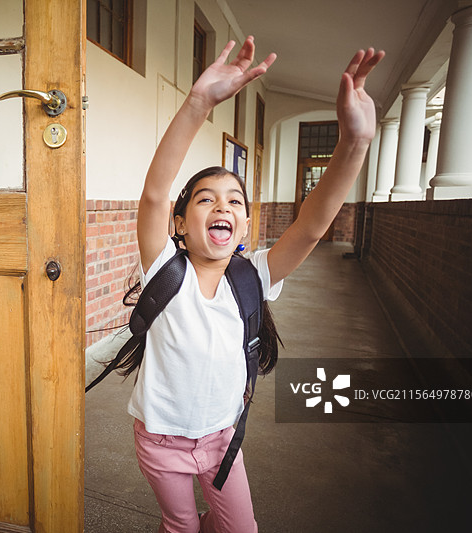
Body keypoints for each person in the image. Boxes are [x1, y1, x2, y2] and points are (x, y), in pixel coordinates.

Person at [126, 36, 384, 533]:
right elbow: (155, 195)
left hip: (224, 439)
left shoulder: (253, 277)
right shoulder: (163, 270)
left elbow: (310, 226)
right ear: (180, 224)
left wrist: (354, 145)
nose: (222, 207)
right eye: (205, 200)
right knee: (181, 527)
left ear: (244, 225)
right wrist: (200, 102)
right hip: (162, 442)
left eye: (234, 202)